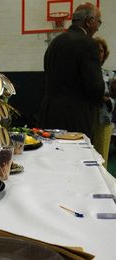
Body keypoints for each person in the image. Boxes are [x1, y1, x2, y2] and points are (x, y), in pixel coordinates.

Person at [38, 2, 104, 140]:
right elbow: (95, 88)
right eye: (99, 22)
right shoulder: (88, 44)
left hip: (48, 114)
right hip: (75, 118)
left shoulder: (54, 43)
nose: (98, 28)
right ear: (89, 21)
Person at [92, 37, 116, 168]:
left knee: (101, 160)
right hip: (86, 120)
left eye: (101, 51)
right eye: (95, 50)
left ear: (105, 54)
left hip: (104, 122)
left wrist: (106, 100)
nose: (98, 53)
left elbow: (113, 100)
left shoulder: (110, 75)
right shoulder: (84, 73)